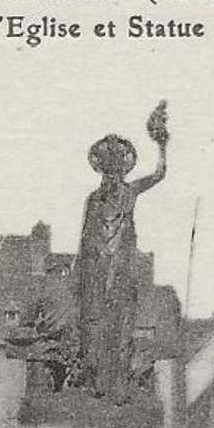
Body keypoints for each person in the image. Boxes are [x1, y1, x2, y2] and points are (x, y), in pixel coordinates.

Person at [73, 101, 168, 402]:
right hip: (97, 273)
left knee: (121, 326)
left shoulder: (131, 192)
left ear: (122, 172)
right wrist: (81, 274)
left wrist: (162, 145)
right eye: (107, 173)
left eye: (115, 173)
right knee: (94, 328)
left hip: (122, 271)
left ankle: (119, 388)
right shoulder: (93, 200)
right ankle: (97, 385)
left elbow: (159, 174)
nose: (111, 179)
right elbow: (84, 239)